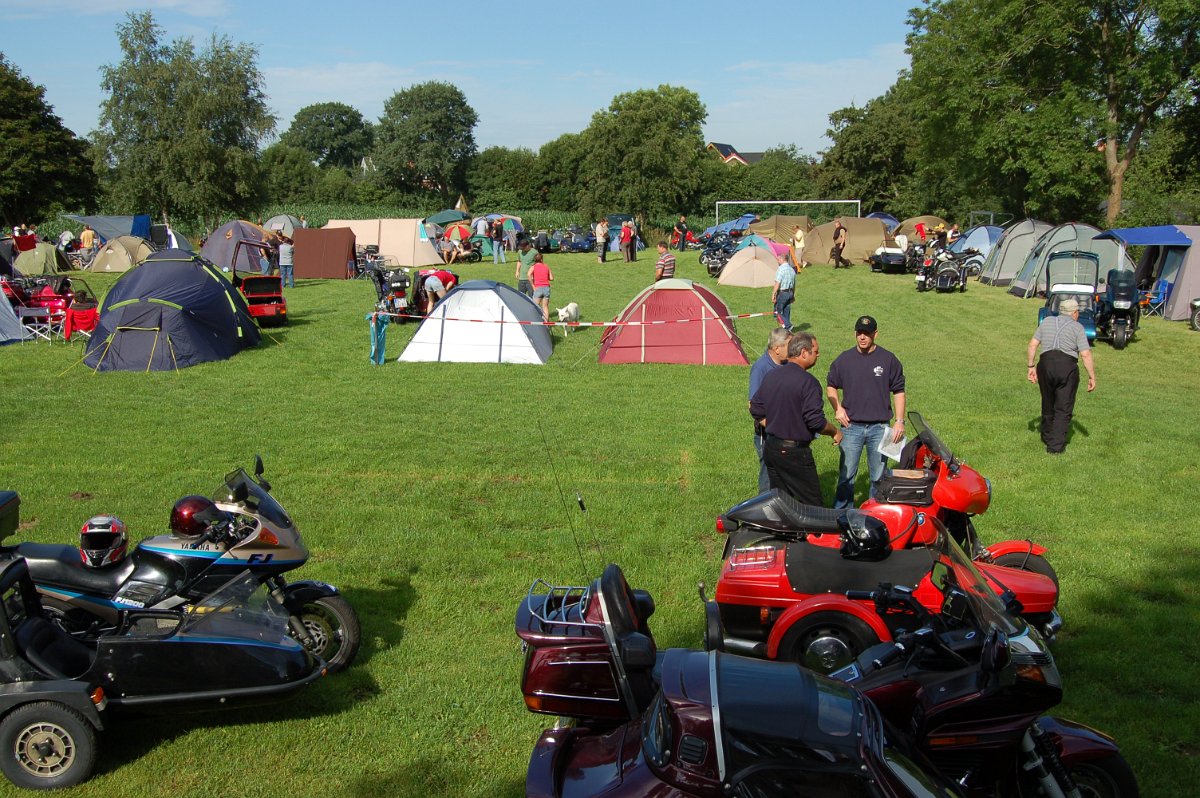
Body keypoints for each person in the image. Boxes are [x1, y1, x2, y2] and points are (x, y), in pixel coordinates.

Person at [750, 332, 843, 506]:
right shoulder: (809, 382)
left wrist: (776, 425)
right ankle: (815, 534)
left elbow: (755, 408)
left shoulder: (772, 375)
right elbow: (815, 422)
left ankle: (782, 533)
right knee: (813, 506)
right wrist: (835, 431)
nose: (818, 354)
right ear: (804, 353)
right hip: (794, 453)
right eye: (815, 351)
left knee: (781, 504)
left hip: (771, 447)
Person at [825, 315, 906, 509]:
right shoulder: (844, 360)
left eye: (867, 334)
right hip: (851, 427)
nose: (862, 337)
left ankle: (875, 514)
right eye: (859, 333)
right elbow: (831, 387)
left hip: (880, 427)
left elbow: (899, 391)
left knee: (878, 477)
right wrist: (838, 409)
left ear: (875, 334)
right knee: (846, 477)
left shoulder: (888, 360)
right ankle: (841, 516)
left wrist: (899, 421)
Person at [1027, 298, 1096, 453]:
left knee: (1048, 401)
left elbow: (1032, 345)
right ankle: (1055, 446)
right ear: (1074, 313)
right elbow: (1085, 354)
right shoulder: (1078, 328)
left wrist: (1031, 366)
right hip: (1067, 366)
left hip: (1045, 365)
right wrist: (1092, 376)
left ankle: (1046, 435)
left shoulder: (1046, 322)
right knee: (1063, 407)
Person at [749, 327, 793, 492]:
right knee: (768, 474)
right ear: (777, 349)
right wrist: (776, 427)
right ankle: (764, 513)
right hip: (768, 433)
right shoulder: (760, 368)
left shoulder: (787, 364)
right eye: (790, 345)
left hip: (787, 432)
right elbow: (752, 404)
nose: (793, 349)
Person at [771, 254, 798, 331]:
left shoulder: (781, 269)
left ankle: (788, 325)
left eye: (778, 260)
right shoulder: (791, 269)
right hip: (790, 292)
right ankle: (786, 331)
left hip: (782, 293)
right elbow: (794, 284)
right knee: (786, 312)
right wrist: (793, 295)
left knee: (777, 312)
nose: (778, 261)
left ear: (782, 259)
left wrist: (773, 293)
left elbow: (777, 283)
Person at [529, 252, 553, 322]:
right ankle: (546, 323)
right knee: (545, 307)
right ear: (542, 259)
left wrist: (533, 285)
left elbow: (528, 275)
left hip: (538, 288)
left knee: (535, 306)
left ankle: (535, 322)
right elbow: (551, 278)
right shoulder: (546, 266)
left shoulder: (533, 267)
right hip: (546, 288)